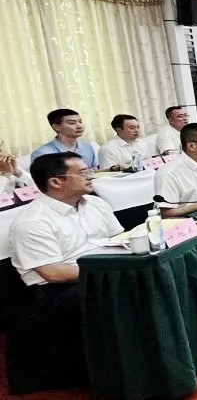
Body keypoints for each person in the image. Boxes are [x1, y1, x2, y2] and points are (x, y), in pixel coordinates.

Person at [10, 153, 123, 302]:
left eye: (89, 170)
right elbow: (55, 273)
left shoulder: (96, 203)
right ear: (56, 182)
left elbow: (118, 239)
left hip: (106, 271)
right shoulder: (32, 222)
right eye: (82, 173)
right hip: (61, 288)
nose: (91, 176)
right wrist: (116, 270)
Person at [30, 109, 98, 168]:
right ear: (56, 127)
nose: (80, 126)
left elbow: (95, 170)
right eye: (72, 123)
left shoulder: (87, 146)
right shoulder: (43, 153)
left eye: (80, 122)